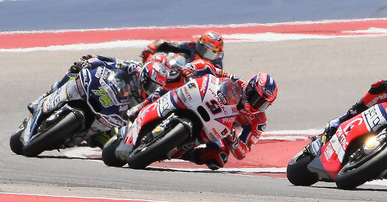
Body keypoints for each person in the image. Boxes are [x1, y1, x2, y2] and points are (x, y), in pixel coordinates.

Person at [27, 55, 169, 145]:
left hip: (114, 113)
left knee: (105, 139)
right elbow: (113, 62)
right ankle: (44, 96)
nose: (151, 89)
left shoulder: (151, 96)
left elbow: (144, 112)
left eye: (154, 87)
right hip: (106, 90)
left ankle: (79, 137)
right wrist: (93, 60)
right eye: (150, 85)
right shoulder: (134, 68)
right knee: (73, 72)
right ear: (144, 75)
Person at [188, 71, 278, 170]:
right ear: (249, 88)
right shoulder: (235, 82)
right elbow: (212, 68)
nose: (255, 104)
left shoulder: (259, 120)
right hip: (206, 105)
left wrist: (234, 140)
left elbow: (243, 152)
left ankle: (184, 154)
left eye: (262, 103)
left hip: (218, 129)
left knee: (219, 156)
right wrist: (192, 69)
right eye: (254, 97)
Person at [141, 31, 224, 68]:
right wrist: (152, 47)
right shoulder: (191, 47)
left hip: (196, 89)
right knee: (169, 55)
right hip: (179, 78)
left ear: (217, 55)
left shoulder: (217, 64)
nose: (204, 55)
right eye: (203, 50)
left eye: (209, 53)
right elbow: (167, 45)